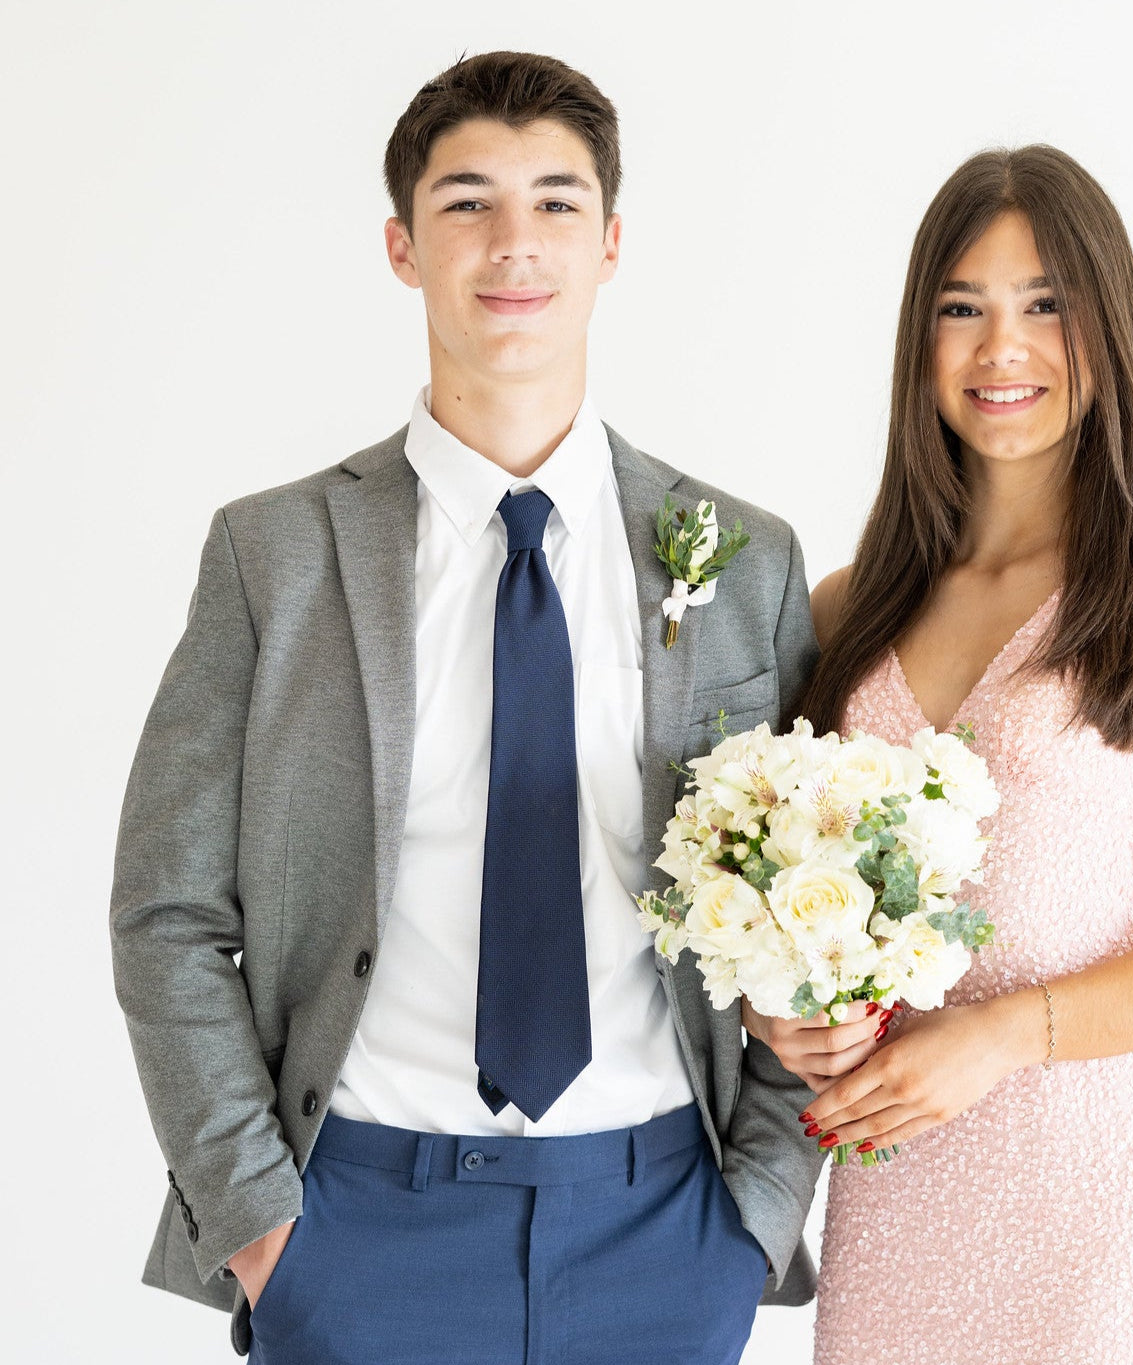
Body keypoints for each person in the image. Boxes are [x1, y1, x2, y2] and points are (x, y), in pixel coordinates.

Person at [110, 51, 823, 1364]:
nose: (514, 243)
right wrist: (268, 1230)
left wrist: (756, 1217)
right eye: (467, 204)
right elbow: (166, 915)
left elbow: (799, 910)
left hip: (665, 1231)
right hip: (355, 1232)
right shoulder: (274, 556)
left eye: (556, 203)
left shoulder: (739, 558)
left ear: (612, 243)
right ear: (402, 245)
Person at [743, 145, 1133, 1363]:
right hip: (894, 1202)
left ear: (1105, 327)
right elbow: (781, 901)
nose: (1002, 350)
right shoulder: (850, 608)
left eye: (1045, 304)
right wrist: (777, 1017)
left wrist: (1011, 1032)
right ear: (922, 343)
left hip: (1100, 1200)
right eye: (963, 309)